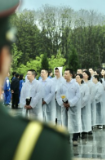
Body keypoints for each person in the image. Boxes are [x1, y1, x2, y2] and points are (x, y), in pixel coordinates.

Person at [0, 1, 71, 159]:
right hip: (33, 106)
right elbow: (25, 91)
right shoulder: (43, 144)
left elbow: (51, 92)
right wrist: (26, 103)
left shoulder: (49, 82)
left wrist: (42, 101)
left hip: (48, 104)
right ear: (4, 59)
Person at [57, 69, 81, 146]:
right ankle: (66, 138)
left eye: (66, 74)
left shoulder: (75, 84)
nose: (65, 75)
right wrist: (63, 103)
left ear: (71, 75)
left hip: (73, 106)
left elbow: (78, 95)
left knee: (74, 122)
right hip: (64, 106)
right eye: (64, 74)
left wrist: (70, 103)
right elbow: (58, 95)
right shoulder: (61, 84)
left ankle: (75, 139)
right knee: (64, 122)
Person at [76, 74, 91, 139]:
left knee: (84, 118)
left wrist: (81, 104)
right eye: (76, 78)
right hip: (75, 106)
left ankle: (84, 132)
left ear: (81, 79)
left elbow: (86, 96)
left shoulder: (85, 86)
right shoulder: (74, 86)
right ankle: (78, 132)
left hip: (83, 106)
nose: (76, 79)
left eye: (78, 78)